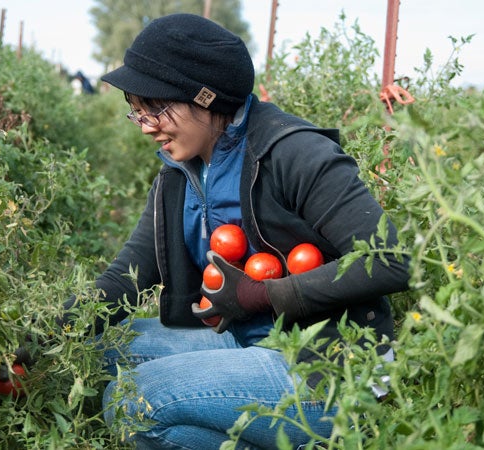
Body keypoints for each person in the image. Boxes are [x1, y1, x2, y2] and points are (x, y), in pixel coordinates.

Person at [77, 13, 409, 449]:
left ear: (204, 96)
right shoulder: (181, 172)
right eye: (136, 112)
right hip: (242, 342)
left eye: (155, 109)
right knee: (93, 352)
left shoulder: (294, 152)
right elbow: (126, 275)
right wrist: (48, 333)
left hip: (326, 363)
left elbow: (390, 261)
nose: (145, 126)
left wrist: (265, 295)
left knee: (129, 397)